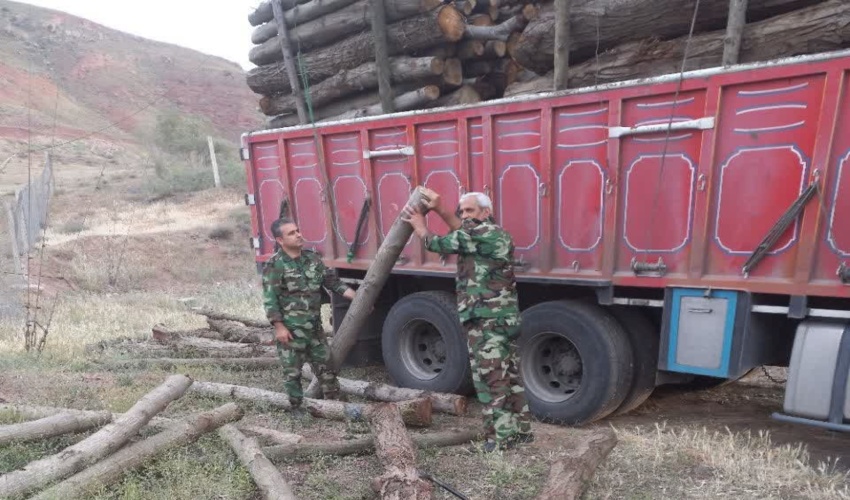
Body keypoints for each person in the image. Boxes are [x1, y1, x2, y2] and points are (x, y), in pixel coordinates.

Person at [402, 188, 533, 452]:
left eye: (470, 210)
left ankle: (498, 439)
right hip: (501, 318)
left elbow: (437, 244)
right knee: (508, 376)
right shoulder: (491, 233)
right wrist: (442, 209)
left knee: (490, 378)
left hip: (487, 320)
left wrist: (420, 225)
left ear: (486, 212)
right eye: (462, 210)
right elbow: (460, 228)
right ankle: (519, 431)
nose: (465, 215)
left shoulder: (480, 234)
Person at [262, 218, 357, 415]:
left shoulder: (312, 259)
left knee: (327, 368)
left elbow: (332, 282)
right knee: (293, 372)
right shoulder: (275, 265)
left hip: (314, 329)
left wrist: (356, 297)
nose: (298, 235)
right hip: (291, 331)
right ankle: (297, 408)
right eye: (291, 233)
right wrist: (279, 327)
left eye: (297, 230)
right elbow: (270, 299)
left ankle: (333, 405)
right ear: (280, 240)